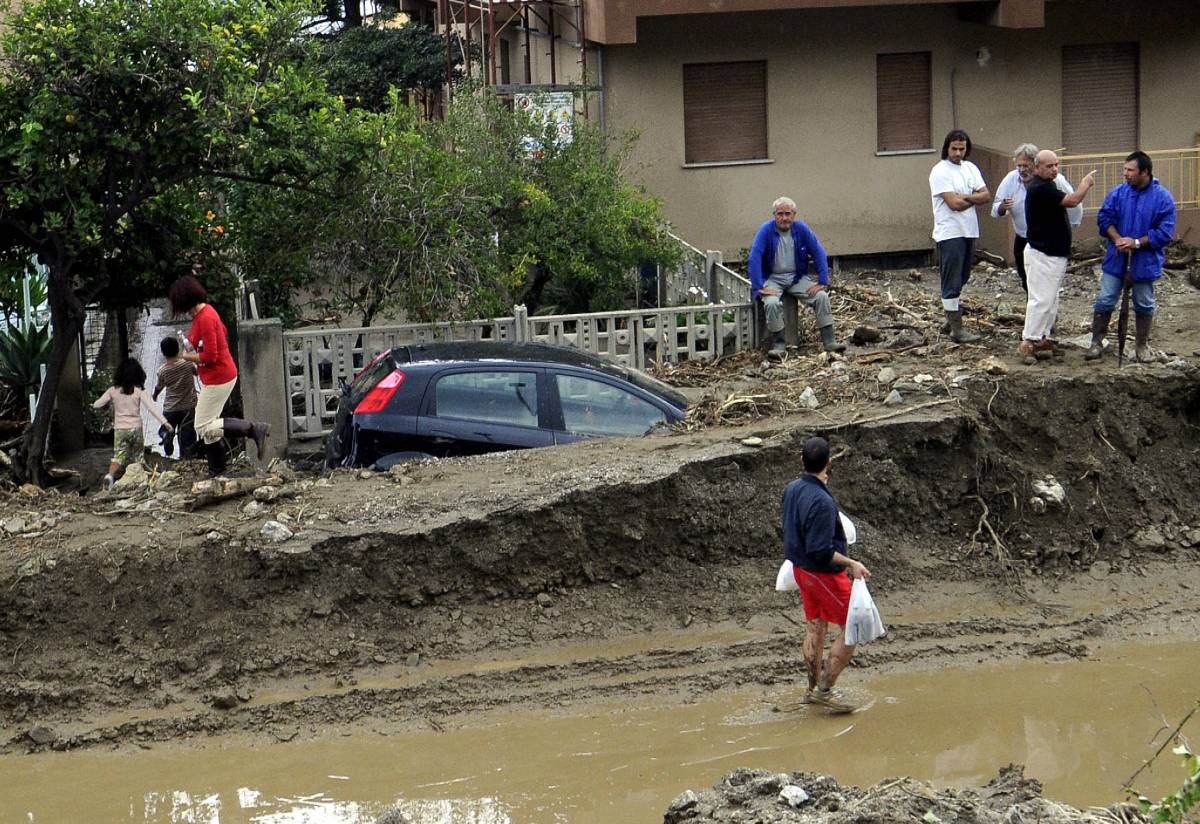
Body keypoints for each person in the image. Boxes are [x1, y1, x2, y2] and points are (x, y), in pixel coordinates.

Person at [781, 436, 871, 713]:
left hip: (800, 570)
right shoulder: (821, 502)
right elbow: (820, 550)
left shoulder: (792, 489)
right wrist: (852, 563)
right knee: (854, 626)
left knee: (815, 625)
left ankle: (811, 689)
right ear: (829, 463)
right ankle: (825, 689)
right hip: (822, 574)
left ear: (801, 461)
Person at [167, 275, 270, 476]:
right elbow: (220, 333)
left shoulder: (205, 318)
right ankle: (218, 470)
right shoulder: (206, 313)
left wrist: (189, 357)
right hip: (217, 375)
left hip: (219, 377)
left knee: (202, 426)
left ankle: (253, 429)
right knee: (210, 428)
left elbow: (211, 355)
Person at [1085, 151, 1177, 362]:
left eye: (1130, 170)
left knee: (1144, 303)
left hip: (1145, 262)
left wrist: (1136, 242)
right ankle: (1096, 342)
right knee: (1105, 299)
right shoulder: (1118, 193)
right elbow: (1104, 217)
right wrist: (1117, 238)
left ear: (1144, 172)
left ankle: (1142, 346)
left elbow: (1165, 232)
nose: (1125, 174)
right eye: (1124, 169)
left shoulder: (1163, 198)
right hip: (1116, 258)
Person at [1019, 150, 1095, 359]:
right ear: (1037, 167)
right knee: (1041, 300)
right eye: (1049, 166)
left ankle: (1042, 338)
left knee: (1051, 300)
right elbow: (1072, 201)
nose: (1054, 169)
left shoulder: (1048, 185)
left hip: (1053, 252)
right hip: (1043, 253)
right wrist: (1085, 184)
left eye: (1056, 165)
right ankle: (1029, 340)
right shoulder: (1039, 188)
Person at [747, 197, 845, 355]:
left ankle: (829, 341)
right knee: (771, 303)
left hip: (796, 278)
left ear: (794, 215)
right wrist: (759, 286)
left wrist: (822, 281)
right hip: (773, 278)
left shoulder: (801, 229)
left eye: (788, 214)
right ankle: (779, 343)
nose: (784, 218)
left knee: (821, 297)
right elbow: (755, 256)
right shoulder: (766, 230)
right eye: (780, 214)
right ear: (774, 215)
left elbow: (818, 251)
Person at [992, 143, 1084, 292]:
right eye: (1019, 166)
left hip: (1047, 241)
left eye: (1026, 166)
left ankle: (1046, 313)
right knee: (1027, 280)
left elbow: (1073, 203)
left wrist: (1071, 226)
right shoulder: (1011, 179)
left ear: (1035, 165)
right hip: (1023, 238)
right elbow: (995, 209)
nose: (1022, 170)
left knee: (1047, 284)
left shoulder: (1055, 180)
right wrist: (1002, 207)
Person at [929, 130, 990, 343]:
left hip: (969, 230)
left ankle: (950, 317)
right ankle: (957, 329)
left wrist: (966, 197)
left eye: (961, 149)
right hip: (950, 232)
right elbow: (953, 204)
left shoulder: (970, 168)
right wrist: (972, 198)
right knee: (952, 279)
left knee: (963, 276)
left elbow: (986, 195)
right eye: (954, 148)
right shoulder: (940, 171)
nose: (957, 153)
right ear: (947, 147)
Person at [93, 358, 173, 490]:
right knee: (138, 456)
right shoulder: (138, 391)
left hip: (120, 429)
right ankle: (139, 480)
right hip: (135, 428)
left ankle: (110, 476)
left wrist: (106, 404)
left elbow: (97, 404)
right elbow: (152, 408)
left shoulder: (113, 390)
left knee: (118, 456)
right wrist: (165, 422)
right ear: (138, 374)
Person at [152, 336, 198, 459]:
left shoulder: (162, 371)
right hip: (188, 407)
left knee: (165, 428)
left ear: (163, 353)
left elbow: (159, 386)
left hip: (170, 408)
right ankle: (186, 458)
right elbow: (196, 372)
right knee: (187, 436)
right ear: (178, 349)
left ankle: (166, 436)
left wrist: (155, 395)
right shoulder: (187, 364)